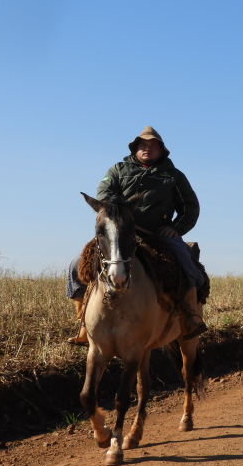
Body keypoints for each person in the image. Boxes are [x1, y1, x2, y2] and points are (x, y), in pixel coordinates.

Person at [65, 126, 206, 346]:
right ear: (135, 149)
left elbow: (191, 207)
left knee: (186, 264)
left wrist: (176, 229)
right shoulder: (118, 170)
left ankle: (189, 317)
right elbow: (104, 195)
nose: (147, 149)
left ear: (161, 151)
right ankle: (83, 323)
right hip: (119, 234)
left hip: (158, 234)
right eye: (143, 146)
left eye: (152, 146)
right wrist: (122, 215)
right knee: (77, 265)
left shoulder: (174, 176)